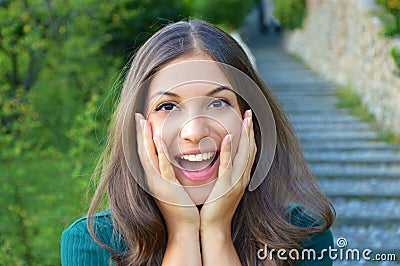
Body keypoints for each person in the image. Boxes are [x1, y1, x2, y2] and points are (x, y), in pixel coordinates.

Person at [61, 20, 335, 265]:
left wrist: (217, 234)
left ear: (249, 118)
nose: (195, 131)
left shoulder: (305, 236)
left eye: (218, 102)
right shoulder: (92, 246)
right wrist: (183, 233)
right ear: (137, 126)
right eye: (167, 106)